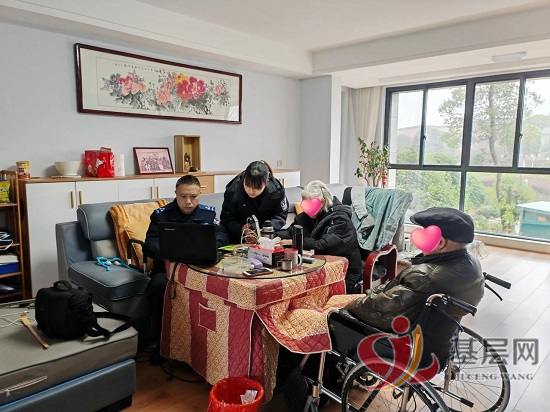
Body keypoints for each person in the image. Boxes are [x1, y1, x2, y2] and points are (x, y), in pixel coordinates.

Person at [344, 207, 485, 331]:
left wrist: (349, 304)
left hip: (400, 342)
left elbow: (377, 311)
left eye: (426, 234)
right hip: (439, 339)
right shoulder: (473, 263)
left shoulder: (424, 277)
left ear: (440, 242)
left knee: (337, 315)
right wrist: (370, 294)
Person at [143, 175, 229, 361]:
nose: (188, 201)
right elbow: (149, 244)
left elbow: (222, 233)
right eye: (183, 196)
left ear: (199, 195)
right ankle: (162, 342)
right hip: (168, 268)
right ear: (176, 194)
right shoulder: (161, 215)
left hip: (199, 267)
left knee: (221, 287)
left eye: (193, 196)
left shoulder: (208, 214)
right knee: (157, 288)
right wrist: (169, 250)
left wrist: (212, 245)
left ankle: (210, 344)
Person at [275, 180, 363, 293]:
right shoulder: (304, 217)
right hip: (318, 268)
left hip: (345, 271)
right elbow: (290, 232)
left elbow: (322, 245)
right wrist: (272, 235)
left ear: (323, 202)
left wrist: (294, 242)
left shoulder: (340, 219)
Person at [220, 160, 289, 244]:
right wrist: (241, 228)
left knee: (287, 234)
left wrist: (266, 229)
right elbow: (226, 219)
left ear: (266, 183)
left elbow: (280, 215)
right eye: (248, 186)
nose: (251, 191)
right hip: (237, 235)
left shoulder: (276, 191)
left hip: (267, 234)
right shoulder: (233, 191)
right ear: (244, 179)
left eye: (257, 188)